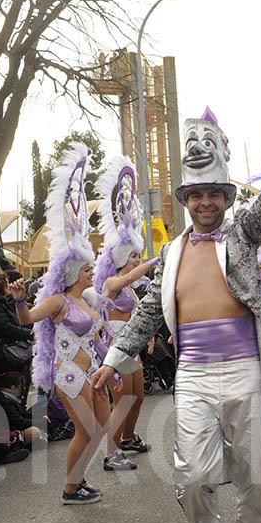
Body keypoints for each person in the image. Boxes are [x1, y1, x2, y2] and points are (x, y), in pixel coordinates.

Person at [92, 109, 261, 523]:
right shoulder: (170, 251)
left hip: (247, 372)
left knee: (255, 481)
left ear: (225, 197)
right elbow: (147, 311)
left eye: (214, 194)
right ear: (187, 200)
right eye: (197, 195)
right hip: (193, 377)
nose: (206, 202)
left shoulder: (242, 233)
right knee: (191, 478)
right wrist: (112, 359)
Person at [17, 144, 130, 505]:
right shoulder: (58, 301)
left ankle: (78, 481)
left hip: (93, 373)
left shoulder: (89, 301)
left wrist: (110, 366)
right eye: (85, 269)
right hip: (68, 374)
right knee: (85, 431)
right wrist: (19, 298)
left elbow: (97, 339)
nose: (90, 271)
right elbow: (26, 320)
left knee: (101, 429)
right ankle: (69, 488)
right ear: (71, 273)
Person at [92, 156, 159, 457]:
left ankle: (128, 437)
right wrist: (157, 259)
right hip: (116, 344)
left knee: (139, 396)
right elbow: (131, 275)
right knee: (124, 399)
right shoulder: (110, 283)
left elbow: (141, 312)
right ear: (120, 260)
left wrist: (150, 336)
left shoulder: (130, 285)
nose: (136, 260)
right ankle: (112, 451)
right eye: (132, 256)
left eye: (138, 255)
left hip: (130, 341)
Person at [0, 274, 33, 376]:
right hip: (1, 354)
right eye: (6, 283)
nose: (9, 285)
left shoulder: (0, 303)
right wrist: (30, 334)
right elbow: (6, 328)